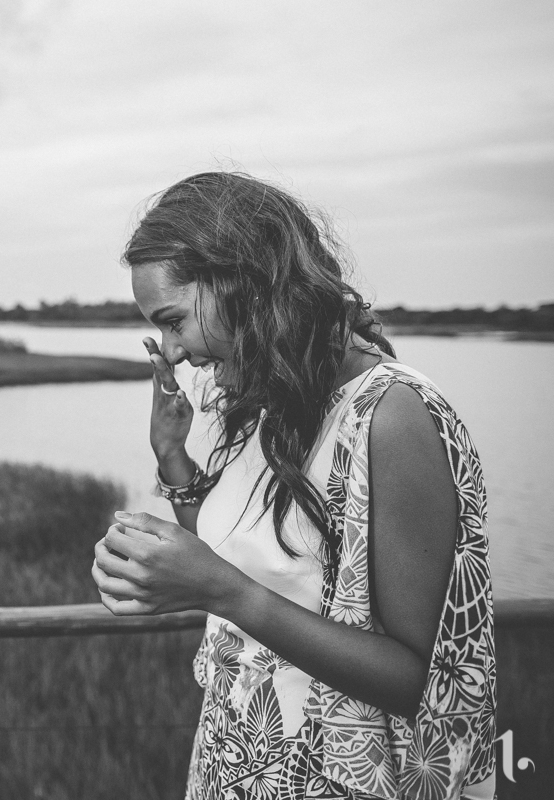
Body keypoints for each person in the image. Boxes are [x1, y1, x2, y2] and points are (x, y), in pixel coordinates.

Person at [91, 173, 495, 800]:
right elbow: (249, 559)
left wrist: (221, 592)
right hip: (233, 764)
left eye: (173, 322)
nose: (171, 353)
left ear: (244, 281)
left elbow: (412, 678)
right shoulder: (270, 405)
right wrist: (172, 457)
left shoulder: (394, 416)